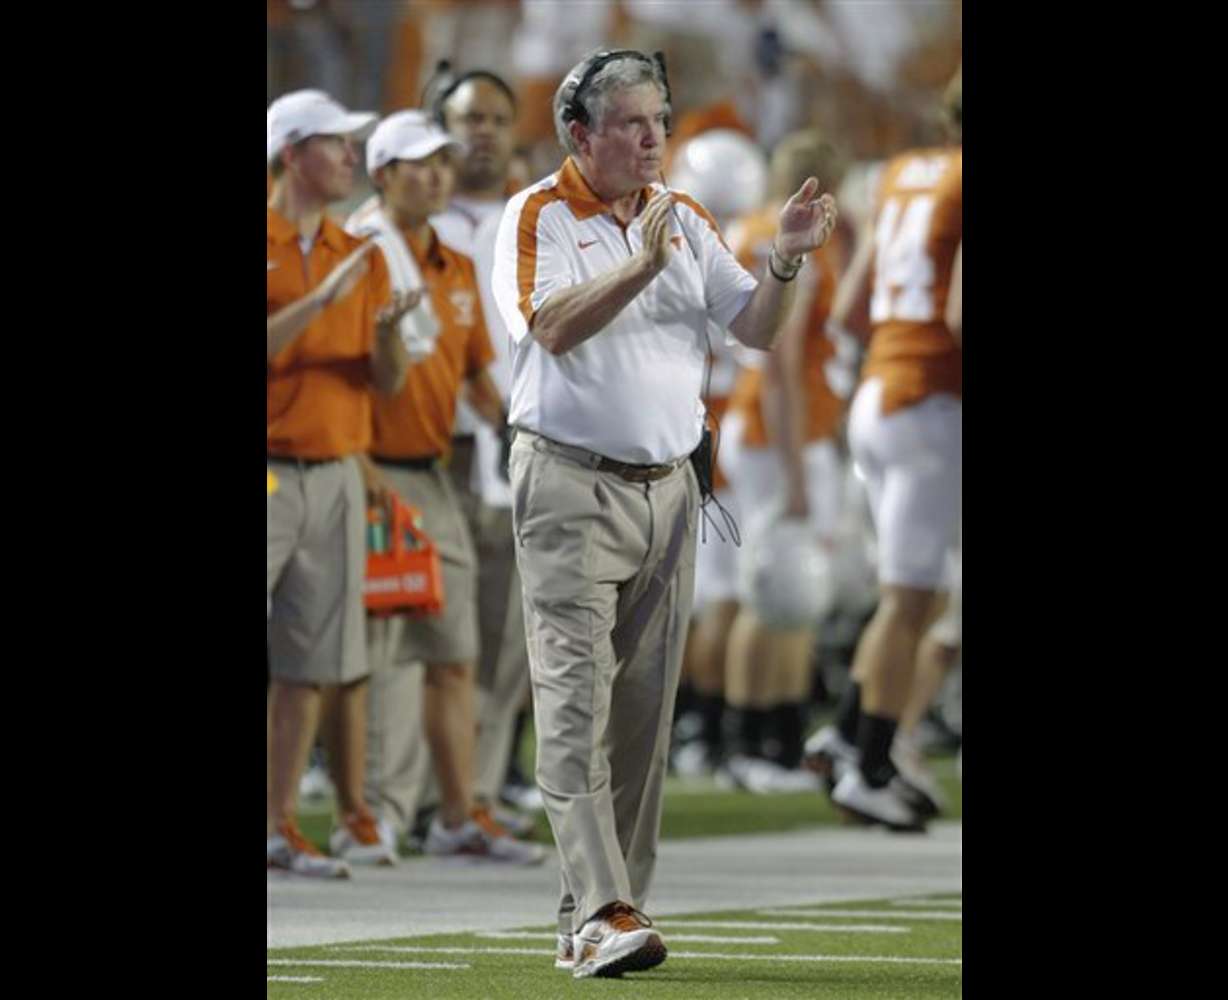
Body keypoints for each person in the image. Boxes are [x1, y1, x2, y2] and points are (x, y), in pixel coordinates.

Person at [490, 48, 838, 978]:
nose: (654, 140)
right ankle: (603, 907)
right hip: (568, 483)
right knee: (573, 703)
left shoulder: (683, 215)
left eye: (661, 122)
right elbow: (553, 328)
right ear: (581, 132)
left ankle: (605, 910)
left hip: (670, 491)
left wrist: (783, 262)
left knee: (643, 714)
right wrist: (640, 272)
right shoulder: (536, 214)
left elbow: (754, 329)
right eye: (633, 123)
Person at [346, 110, 545, 866]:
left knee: (454, 652)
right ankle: (372, 813)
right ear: (383, 174)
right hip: (367, 468)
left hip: (433, 470)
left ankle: (459, 814)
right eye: (415, 163)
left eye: (439, 161)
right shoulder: (359, 254)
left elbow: (474, 377)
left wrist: (525, 433)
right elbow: (359, 378)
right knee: (379, 655)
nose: (433, 174)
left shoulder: (455, 260)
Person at [266, 88, 418, 877]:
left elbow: (384, 383)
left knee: (309, 664)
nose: (351, 159)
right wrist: (315, 304)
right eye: (335, 144)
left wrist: (390, 335)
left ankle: (278, 823)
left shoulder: (352, 252)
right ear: (293, 153)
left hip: (331, 473)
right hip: (268, 473)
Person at [817, 68, 962, 832]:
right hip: (930, 400)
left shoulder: (905, 171)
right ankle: (867, 762)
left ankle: (847, 733)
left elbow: (848, 306)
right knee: (912, 600)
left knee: (919, 591)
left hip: (882, 393)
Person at [718, 128, 854, 794]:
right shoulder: (792, 241)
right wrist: (799, 462)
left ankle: (777, 737)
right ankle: (749, 741)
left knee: (793, 593)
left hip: (766, 430)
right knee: (769, 590)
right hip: (779, 435)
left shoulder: (747, 226)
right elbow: (781, 366)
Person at [428, 66, 545, 829]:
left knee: (507, 637)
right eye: (470, 118)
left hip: (518, 444)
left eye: (498, 119)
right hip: (434, 451)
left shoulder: (537, 217)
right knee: (430, 633)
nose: (484, 132)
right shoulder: (411, 222)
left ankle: (481, 788)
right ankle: (422, 791)